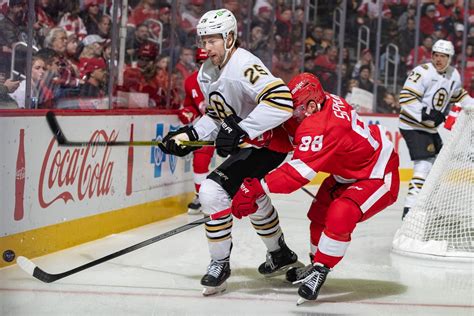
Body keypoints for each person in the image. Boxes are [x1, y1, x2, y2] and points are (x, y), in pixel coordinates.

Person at [159, 8, 300, 296]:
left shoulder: (244, 65)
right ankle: (280, 253)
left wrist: (241, 130)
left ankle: (219, 263)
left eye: (212, 40)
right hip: (255, 145)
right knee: (252, 193)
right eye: (203, 40)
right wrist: (189, 136)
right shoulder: (207, 73)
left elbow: (282, 101)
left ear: (230, 38)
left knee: (211, 192)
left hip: (269, 143)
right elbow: (216, 116)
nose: (206, 47)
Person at [230, 73, 400, 304]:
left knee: (341, 211)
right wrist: (259, 136)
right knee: (318, 215)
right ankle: (315, 263)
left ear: (311, 105)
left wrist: (257, 187)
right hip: (348, 172)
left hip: (377, 174)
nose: (292, 115)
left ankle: (321, 269)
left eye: (296, 109)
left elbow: (295, 175)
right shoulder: (318, 104)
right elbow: (291, 134)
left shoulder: (324, 125)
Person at [398, 39, 472, 219]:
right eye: (436, 55)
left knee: (436, 168)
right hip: (412, 125)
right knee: (423, 165)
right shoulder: (421, 72)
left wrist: (470, 105)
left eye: (443, 56)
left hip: (430, 129)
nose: (438, 60)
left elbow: (458, 95)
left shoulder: (453, 74)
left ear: (450, 58)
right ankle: (410, 210)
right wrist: (426, 114)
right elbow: (406, 98)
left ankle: (424, 205)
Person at [176, 48, 213, 215]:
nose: (204, 65)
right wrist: (187, 112)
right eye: (200, 62)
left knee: (241, 158)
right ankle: (202, 197)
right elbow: (190, 103)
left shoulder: (226, 77)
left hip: (231, 124)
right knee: (200, 160)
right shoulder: (191, 81)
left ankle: (247, 194)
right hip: (207, 126)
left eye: (208, 61)